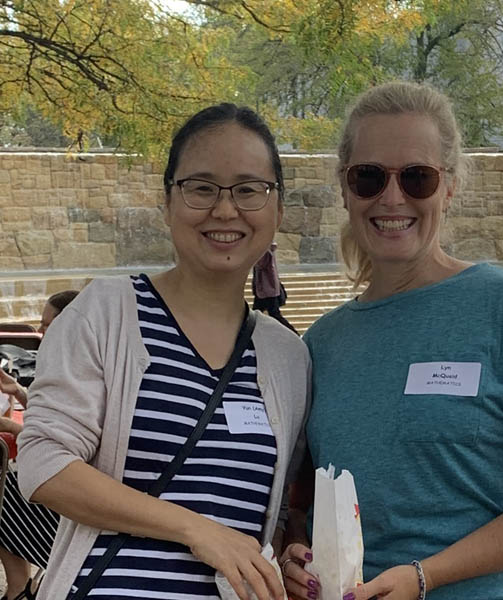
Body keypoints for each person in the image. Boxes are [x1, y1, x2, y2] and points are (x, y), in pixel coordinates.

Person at [280, 81, 503, 600]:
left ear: (449, 187)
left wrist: (425, 576)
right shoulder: (322, 344)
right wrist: (295, 549)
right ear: (344, 188)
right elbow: (301, 503)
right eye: (368, 177)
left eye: (417, 177)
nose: (392, 196)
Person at [16, 103, 311, 600]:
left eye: (248, 189)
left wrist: (289, 557)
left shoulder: (287, 356)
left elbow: (272, 515)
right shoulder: (107, 312)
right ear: (168, 202)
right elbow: (44, 463)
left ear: (277, 209)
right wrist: (198, 530)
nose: (224, 209)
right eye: (201, 187)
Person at [0, 291, 79, 600]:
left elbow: (67, 439)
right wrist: (18, 391)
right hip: (70, 484)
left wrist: (12, 427)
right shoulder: (69, 363)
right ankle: (21, 585)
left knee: (5, 494)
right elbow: (57, 419)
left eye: (48, 327)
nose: (42, 334)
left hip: (77, 500)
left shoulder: (86, 369)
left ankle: (21, 586)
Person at [252, 242, 297, 334]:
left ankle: (293, 332)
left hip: (267, 291)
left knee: (270, 315)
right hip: (265, 290)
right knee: (256, 315)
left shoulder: (265, 252)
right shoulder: (266, 251)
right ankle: (250, 336)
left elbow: (260, 264)